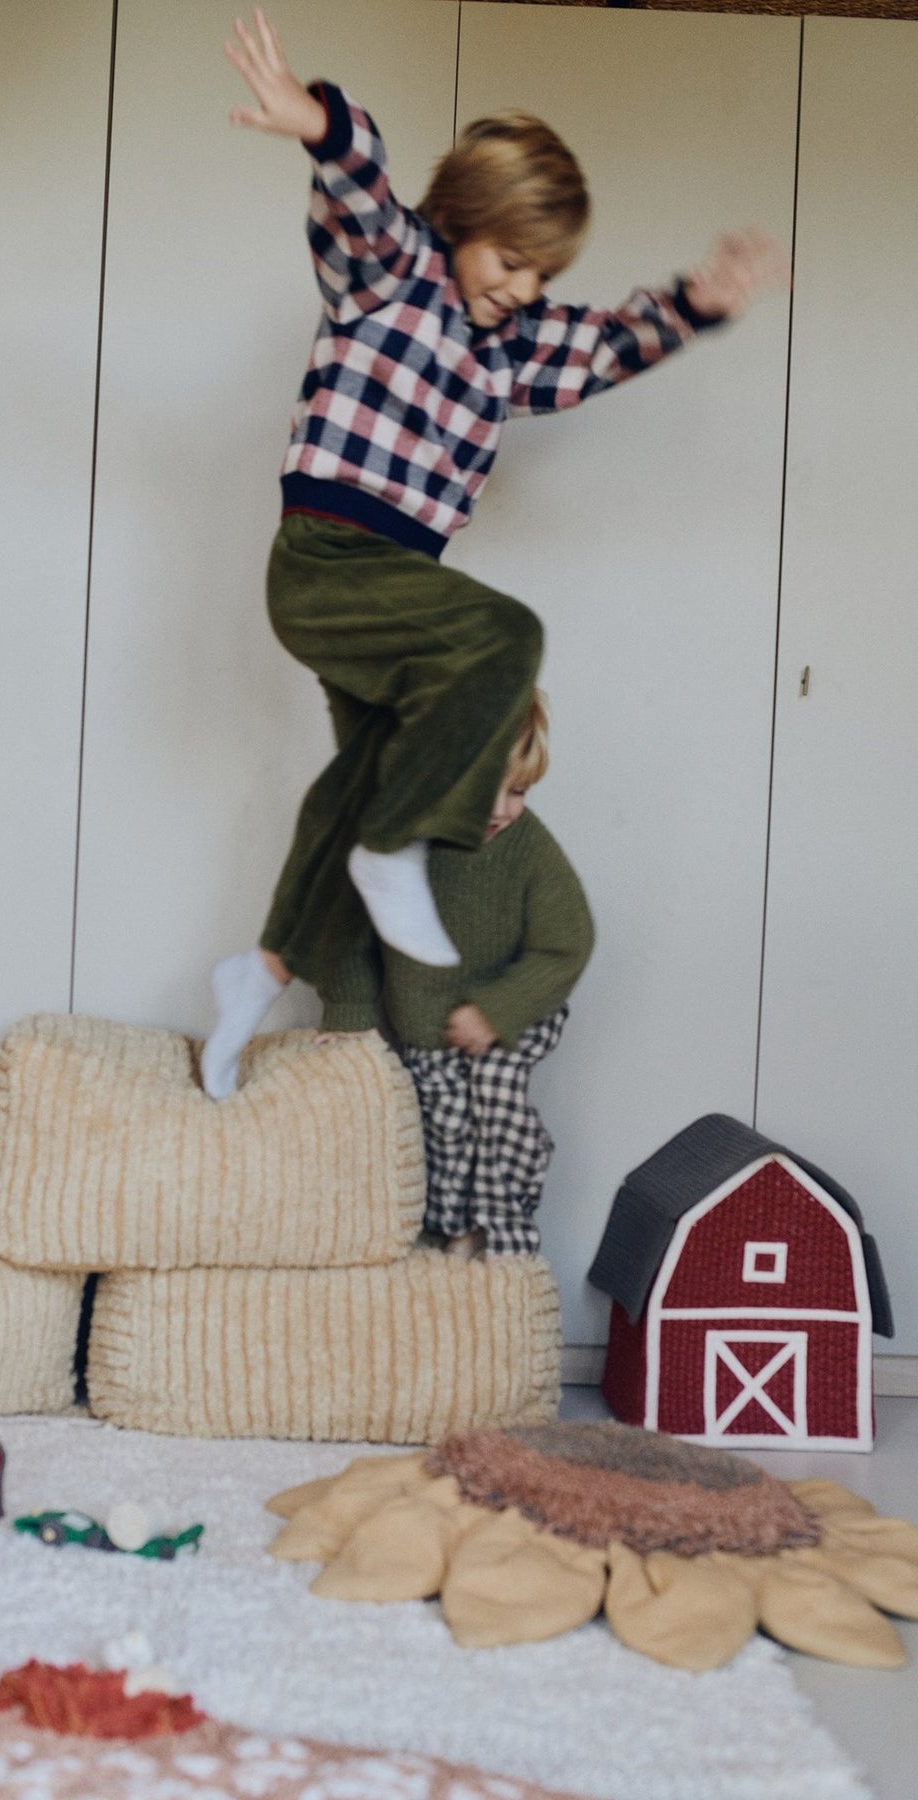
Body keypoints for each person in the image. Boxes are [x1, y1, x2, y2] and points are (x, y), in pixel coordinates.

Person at [200, 8, 787, 1101]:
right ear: (463, 219)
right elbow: (362, 188)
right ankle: (393, 853)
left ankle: (264, 966)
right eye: (510, 258)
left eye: (540, 271)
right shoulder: (395, 269)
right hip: (328, 558)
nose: (519, 285)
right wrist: (319, 124)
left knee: (370, 767)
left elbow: (606, 342)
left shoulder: (514, 344)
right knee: (509, 638)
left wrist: (696, 306)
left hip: (399, 588)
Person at [323, 691, 591, 1258]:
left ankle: (504, 1232)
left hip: (514, 1012)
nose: (501, 809)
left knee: (495, 1102)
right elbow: (346, 931)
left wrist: (496, 1011)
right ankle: (451, 1228)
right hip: (427, 1025)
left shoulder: (528, 849)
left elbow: (565, 945)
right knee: (441, 1123)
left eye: (517, 791)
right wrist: (350, 1014)